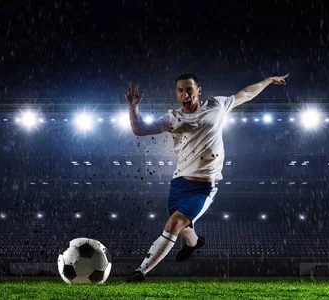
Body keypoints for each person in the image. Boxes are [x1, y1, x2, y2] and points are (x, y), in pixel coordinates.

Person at [122, 73, 288, 282]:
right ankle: (194, 243)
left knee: (173, 224)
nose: (185, 94)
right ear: (176, 93)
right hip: (178, 183)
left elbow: (245, 94)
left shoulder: (216, 106)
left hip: (203, 188)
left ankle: (141, 271)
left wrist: (268, 81)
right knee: (182, 226)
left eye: (189, 90)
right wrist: (133, 107)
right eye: (180, 90)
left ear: (199, 91)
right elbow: (139, 129)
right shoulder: (172, 118)